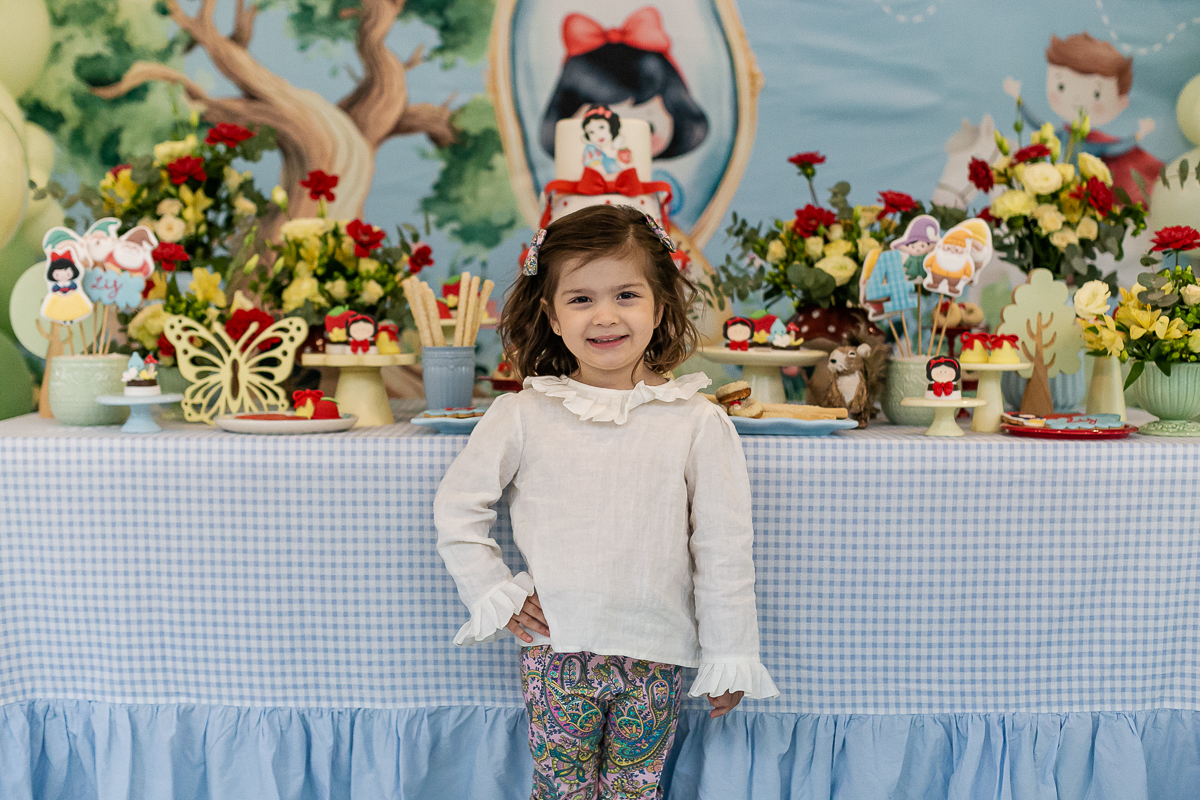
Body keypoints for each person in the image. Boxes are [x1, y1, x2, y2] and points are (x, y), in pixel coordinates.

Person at [435, 204, 777, 799]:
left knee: (635, 792)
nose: (606, 317)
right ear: (551, 313)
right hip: (557, 653)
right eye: (581, 299)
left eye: (625, 294)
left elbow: (723, 547)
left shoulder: (697, 422)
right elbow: (459, 509)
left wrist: (730, 652)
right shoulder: (522, 413)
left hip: (657, 655)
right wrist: (494, 590)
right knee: (560, 791)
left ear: (660, 304)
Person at [1004, 31, 1161, 206]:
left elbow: (1115, 148)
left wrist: (1139, 134)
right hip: (1060, 190)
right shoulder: (1063, 133)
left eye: (1096, 93)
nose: (1077, 99)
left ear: (1122, 102)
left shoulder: (1095, 143)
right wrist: (1019, 100)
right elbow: (1038, 125)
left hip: (1086, 195)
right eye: (1061, 86)